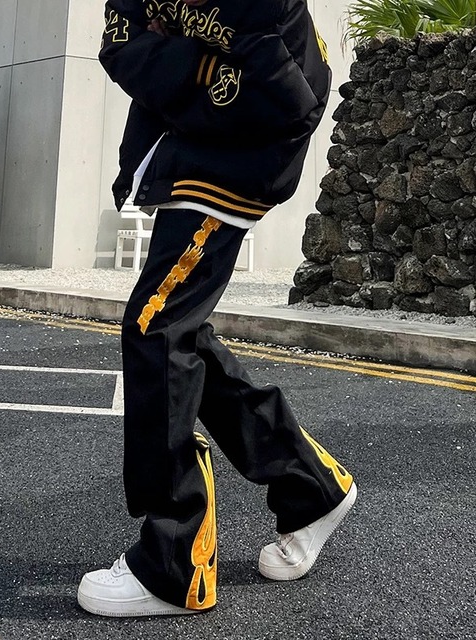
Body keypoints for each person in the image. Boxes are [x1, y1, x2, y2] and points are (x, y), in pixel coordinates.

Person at [77, 0, 357, 617]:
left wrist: (177, 56)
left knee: (155, 328)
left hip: (239, 159)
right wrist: (203, 62)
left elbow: (287, 96)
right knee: (177, 333)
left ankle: (177, 563)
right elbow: (120, 47)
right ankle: (309, 487)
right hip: (188, 150)